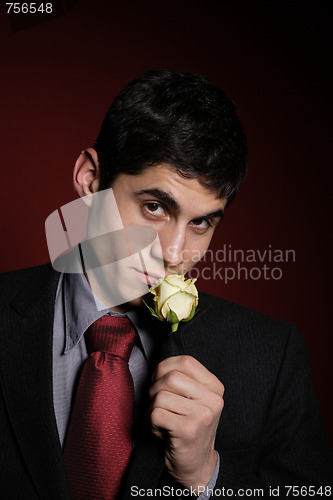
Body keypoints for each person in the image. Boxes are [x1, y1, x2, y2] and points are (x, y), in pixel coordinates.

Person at [0, 69, 332, 500]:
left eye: (201, 222)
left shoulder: (272, 357)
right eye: (155, 207)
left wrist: (206, 477)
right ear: (89, 180)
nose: (174, 254)